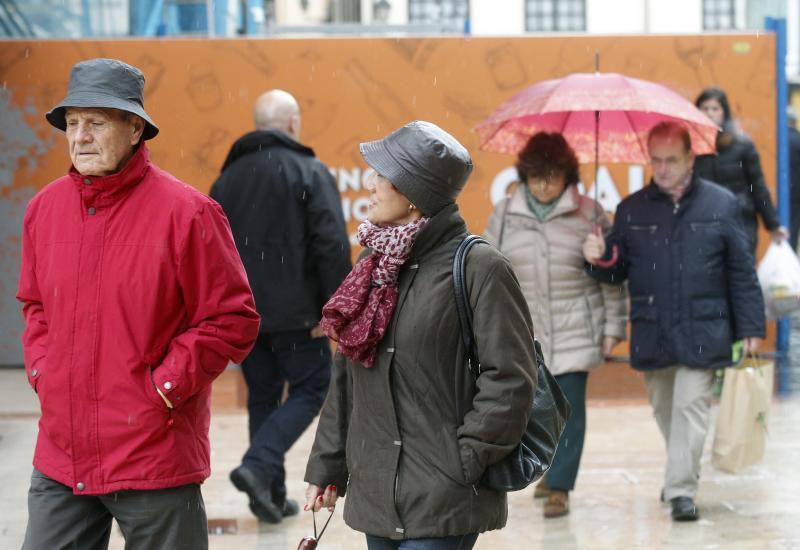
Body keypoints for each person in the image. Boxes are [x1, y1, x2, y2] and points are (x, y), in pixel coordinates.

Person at [17, 58, 260, 550]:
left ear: (135, 129)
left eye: (96, 123)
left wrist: (162, 389)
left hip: (154, 455)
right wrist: (44, 370)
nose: (80, 136)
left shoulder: (187, 213)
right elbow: (35, 307)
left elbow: (231, 319)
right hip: (62, 456)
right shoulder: (44, 210)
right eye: (73, 123)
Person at [303, 121, 538, 549]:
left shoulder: (480, 267)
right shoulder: (374, 265)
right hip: (377, 493)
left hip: (444, 495)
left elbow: (512, 378)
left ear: (413, 194)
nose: (370, 184)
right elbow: (346, 377)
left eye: (383, 175)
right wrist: (327, 466)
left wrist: (464, 458)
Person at [582, 121, 765, 522]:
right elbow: (617, 270)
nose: (662, 168)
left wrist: (751, 328)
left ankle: (681, 490)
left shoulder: (721, 204)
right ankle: (680, 471)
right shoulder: (632, 209)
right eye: (656, 160)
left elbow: (741, 270)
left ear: (689, 159)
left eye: (672, 160)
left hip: (705, 327)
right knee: (666, 410)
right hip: (654, 328)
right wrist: (597, 257)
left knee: (690, 408)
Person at [210, 89, 351, 523]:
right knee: (313, 389)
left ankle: (267, 494)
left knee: (264, 397)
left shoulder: (225, 180)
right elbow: (330, 244)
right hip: (299, 315)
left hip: (246, 315)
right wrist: (334, 309)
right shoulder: (308, 170)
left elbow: (212, 250)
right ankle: (258, 465)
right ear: (292, 123)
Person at [484, 132, 628, 519]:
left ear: (568, 175)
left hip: (577, 327)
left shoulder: (590, 213)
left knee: (570, 412)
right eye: (536, 176)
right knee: (531, 411)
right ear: (524, 175)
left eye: (553, 176)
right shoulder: (504, 214)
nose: (544, 185)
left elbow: (612, 280)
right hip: (523, 332)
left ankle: (560, 487)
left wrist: (613, 324)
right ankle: (545, 470)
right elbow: (486, 273)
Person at [694, 86, 789, 252]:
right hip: (704, 222)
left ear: (724, 112)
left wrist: (773, 224)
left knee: (741, 274)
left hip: (739, 220)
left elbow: (758, 186)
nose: (710, 113)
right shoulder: (692, 147)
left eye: (715, 108)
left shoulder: (741, 144)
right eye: (705, 108)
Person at [788, 106, 800, 251]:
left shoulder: (777, 138)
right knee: (793, 226)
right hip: (796, 192)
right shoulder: (798, 139)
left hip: (777, 191)